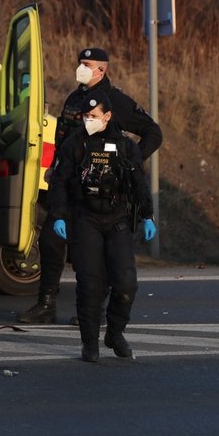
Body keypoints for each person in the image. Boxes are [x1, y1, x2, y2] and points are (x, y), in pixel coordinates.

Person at [18, 47, 162, 324]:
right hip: (70, 183)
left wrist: (126, 164)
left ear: (101, 70)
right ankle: (46, 305)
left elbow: (153, 133)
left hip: (102, 190)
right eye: (79, 62)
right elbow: (64, 136)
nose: (80, 67)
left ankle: (95, 308)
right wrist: (55, 167)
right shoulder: (75, 98)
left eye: (86, 64)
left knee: (100, 250)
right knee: (51, 241)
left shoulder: (115, 101)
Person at [47, 92, 156, 362]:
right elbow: (59, 182)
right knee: (90, 284)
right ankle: (90, 342)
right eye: (86, 116)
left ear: (107, 117)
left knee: (126, 284)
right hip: (86, 219)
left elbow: (138, 183)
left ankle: (115, 332)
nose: (88, 120)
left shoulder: (125, 147)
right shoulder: (74, 144)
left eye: (94, 116)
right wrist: (59, 215)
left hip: (117, 218)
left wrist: (147, 215)